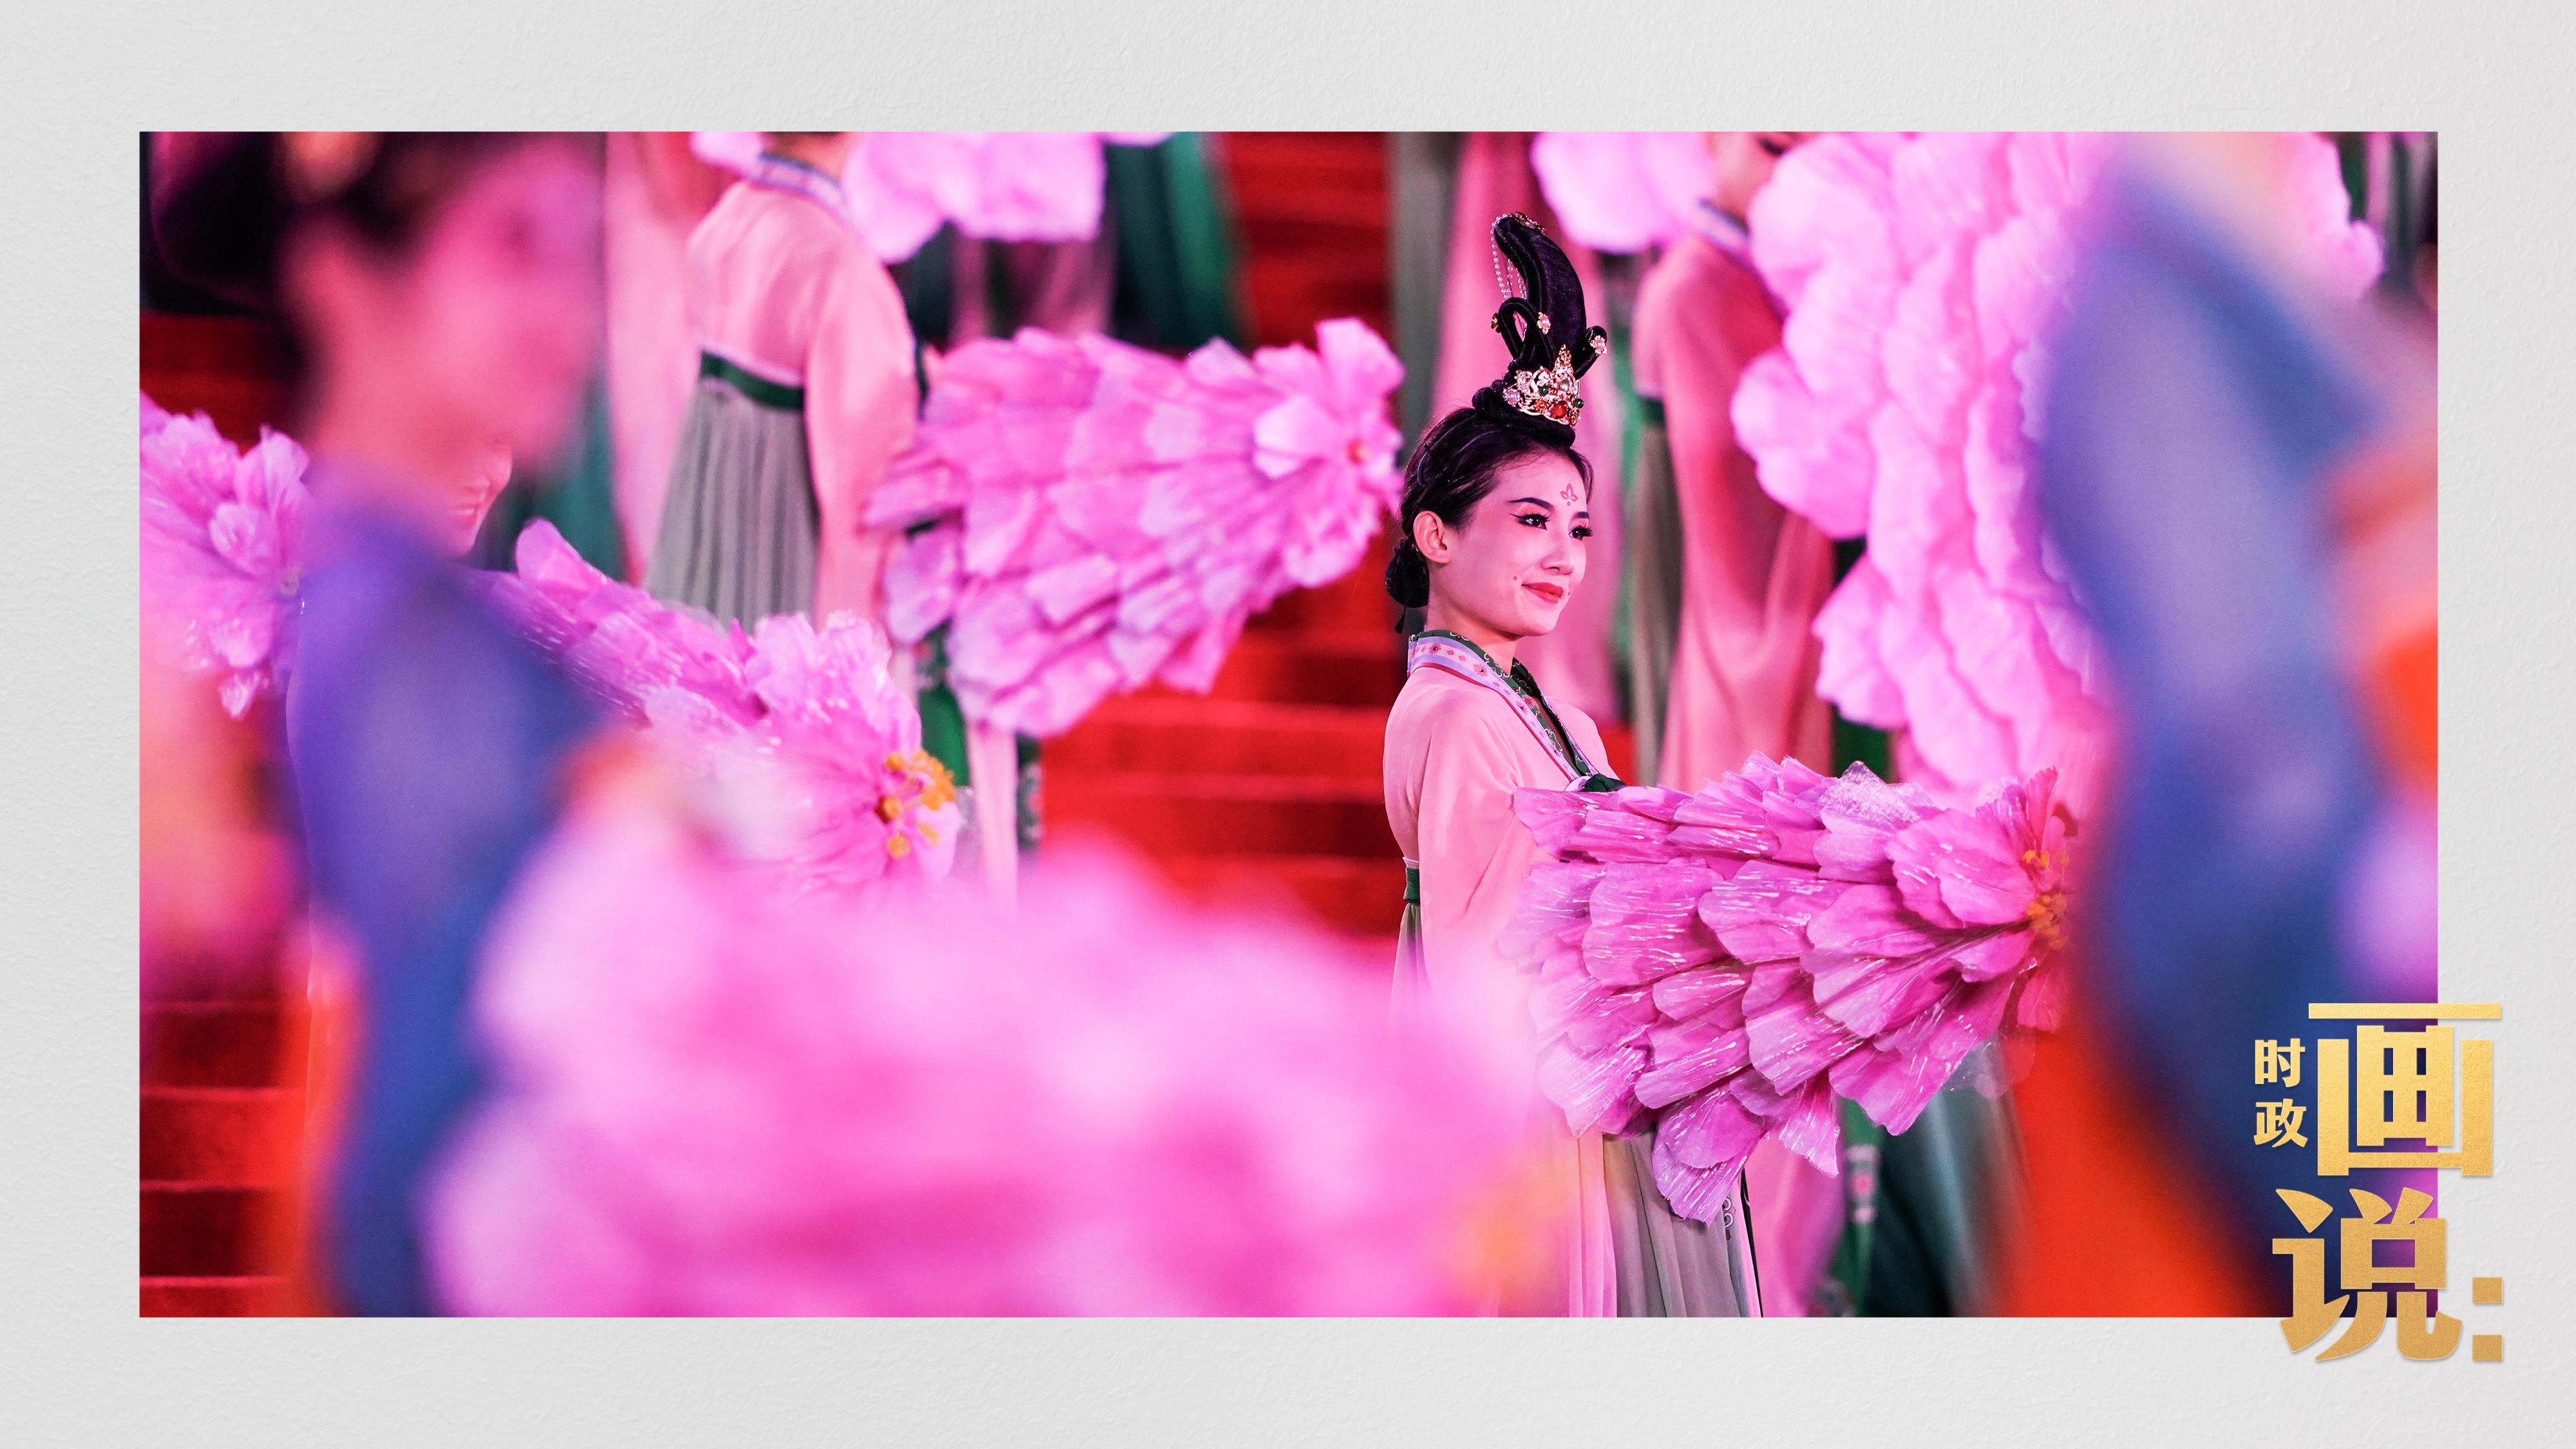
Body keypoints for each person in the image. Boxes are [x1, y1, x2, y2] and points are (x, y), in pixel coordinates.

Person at [153, 131, 607, 1314]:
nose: (571, 308)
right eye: (514, 243)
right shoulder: (408, 642)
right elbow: (429, 1086)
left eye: (588, 252)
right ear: (343, 280)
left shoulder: (388, 611)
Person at [1382, 214, 1760, 1316]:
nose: (1563, 555)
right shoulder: (1457, 716)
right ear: (1438, 536)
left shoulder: (1557, 721)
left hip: (1596, 1072)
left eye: (1581, 529)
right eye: (1532, 520)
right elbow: (1476, 974)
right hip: (1537, 1103)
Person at [646, 131, 918, 627]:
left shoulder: (723, 225)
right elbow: (863, 490)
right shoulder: (839, 268)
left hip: (702, 538)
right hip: (786, 560)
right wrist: (859, 636)